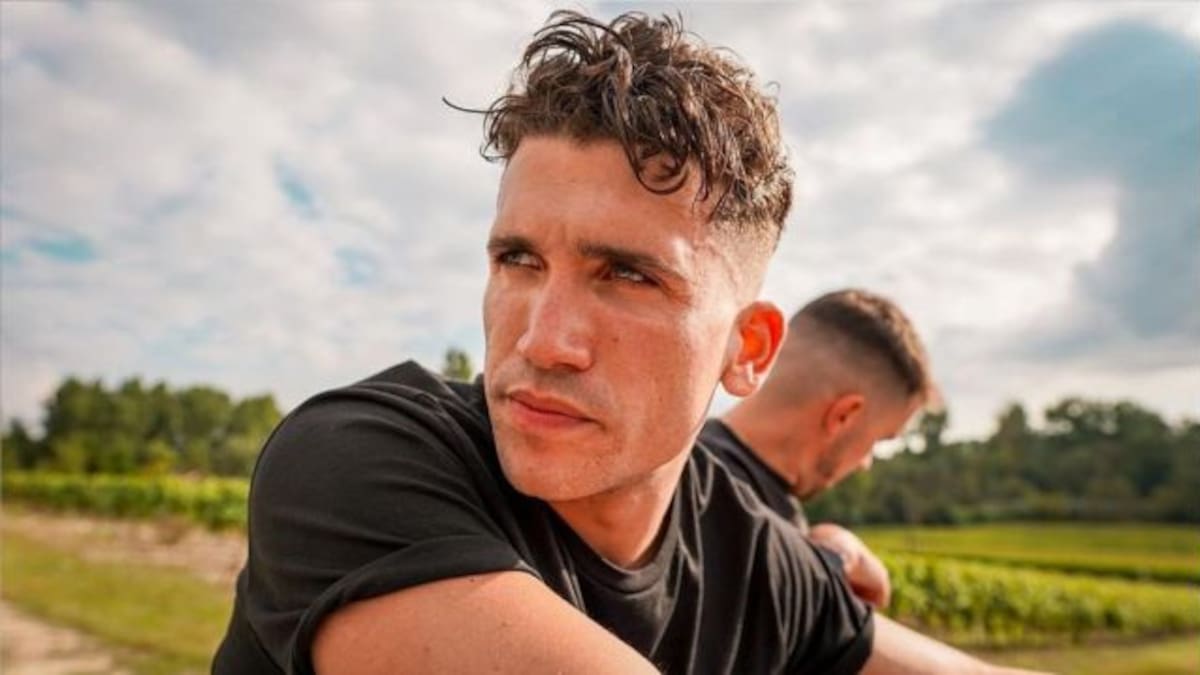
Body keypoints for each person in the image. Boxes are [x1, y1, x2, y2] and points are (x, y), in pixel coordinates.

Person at [214, 11, 1041, 674]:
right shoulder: (352, 465)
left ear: (748, 349)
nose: (544, 341)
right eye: (519, 259)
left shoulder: (755, 557)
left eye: (628, 275)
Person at [702, 288, 934, 608]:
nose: (866, 463)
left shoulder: (689, 477)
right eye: (878, 441)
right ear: (843, 416)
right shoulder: (725, 515)